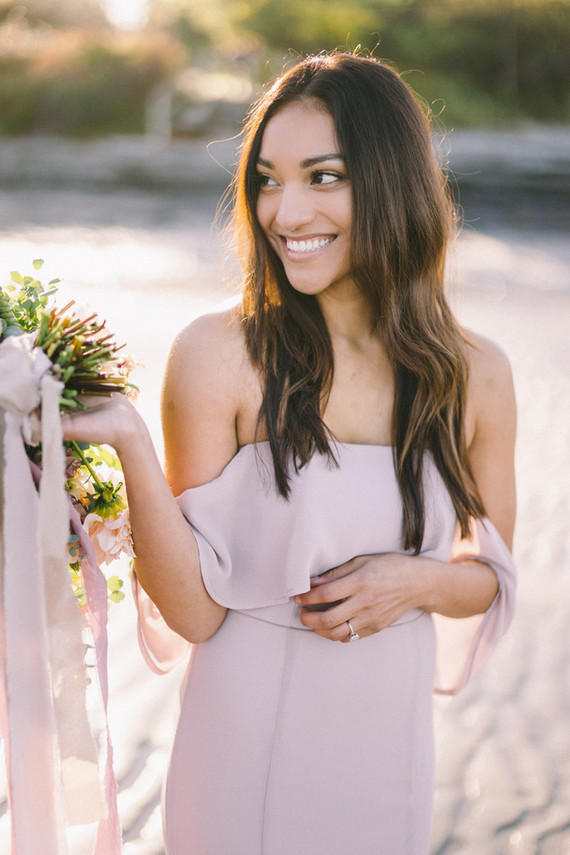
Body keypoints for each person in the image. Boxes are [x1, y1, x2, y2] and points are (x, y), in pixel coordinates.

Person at [62, 52, 517, 855]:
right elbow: (196, 609)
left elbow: (489, 575)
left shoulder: (474, 373)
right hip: (240, 744)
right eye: (267, 179)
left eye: (322, 176)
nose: (284, 211)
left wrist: (415, 580)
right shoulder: (218, 354)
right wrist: (132, 445)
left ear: (391, 181)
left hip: (387, 751)